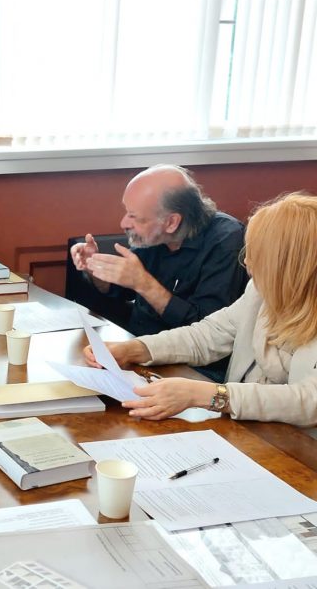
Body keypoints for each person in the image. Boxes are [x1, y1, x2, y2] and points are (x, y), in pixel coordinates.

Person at [84, 193, 317, 428]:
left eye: (259, 253)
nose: (247, 262)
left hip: (296, 445)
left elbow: (310, 401)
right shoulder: (260, 292)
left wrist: (204, 394)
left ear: (290, 264)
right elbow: (207, 335)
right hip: (244, 427)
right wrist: (135, 349)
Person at [71, 164, 247, 380]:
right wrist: (94, 267)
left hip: (192, 370)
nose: (123, 223)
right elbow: (118, 291)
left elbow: (208, 333)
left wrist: (144, 284)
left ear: (171, 222)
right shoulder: (153, 236)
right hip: (137, 351)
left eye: (134, 216)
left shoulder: (225, 242)